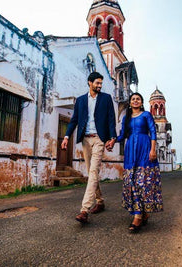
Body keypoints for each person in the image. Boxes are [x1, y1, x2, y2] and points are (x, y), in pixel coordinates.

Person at [61, 71, 117, 224]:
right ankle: (100, 202)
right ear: (90, 83)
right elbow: (74, 121)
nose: (99, 85)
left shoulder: (106, 98)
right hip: (86, 140)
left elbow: (111, 119)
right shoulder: (80, 101)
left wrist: (112, 137)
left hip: (99, 139)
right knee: (91, 172)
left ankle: (84, 210)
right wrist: (66, 137)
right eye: (97, 83)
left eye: (101, 83)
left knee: (93, 171)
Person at [117, 92, 163, 233]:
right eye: (133, 99)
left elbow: (153, 132)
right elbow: (123, 134)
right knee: (132, 181)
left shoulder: (146, 115)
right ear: (130, 103)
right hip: (131, 150)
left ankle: (139, 215)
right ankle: (139, 214)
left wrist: (153, 150)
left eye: (138, 99)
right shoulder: (126, 118)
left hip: (145, 148)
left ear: (141, 102)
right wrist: (113, 140)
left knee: (143, 181)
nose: (135, 101)